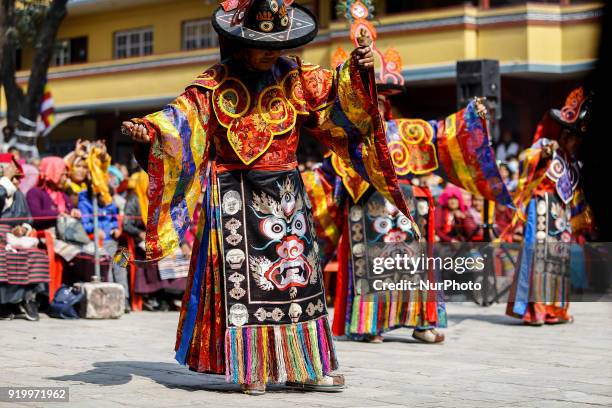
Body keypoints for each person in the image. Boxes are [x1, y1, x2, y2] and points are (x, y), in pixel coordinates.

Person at [122, 0, 409, 395]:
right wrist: (150, 132)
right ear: (238, 42)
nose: (270, 49)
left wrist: (358, 70)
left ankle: (307, 364)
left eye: (277, 41)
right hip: (234, 194)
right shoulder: (214, 84)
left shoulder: (297, 76)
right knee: (246, 288)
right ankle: (250, 364)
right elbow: (179, 121)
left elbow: (337, 100)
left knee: (300, 284)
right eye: (261, 42)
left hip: (288, 193)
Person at [505, 87, 593, 325]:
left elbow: (576, 193)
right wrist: (541, 154)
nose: (575, 142)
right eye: (573, 137)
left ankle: (556, 309)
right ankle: (536, 311)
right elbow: (524, 159)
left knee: (559, 261)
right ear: (565, 134)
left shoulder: (573, 162)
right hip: (541, 207)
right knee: (539, 258)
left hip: (561, 214)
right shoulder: (547, 146)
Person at [123, 170, 187, 311]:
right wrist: (140, 233)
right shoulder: (134, 199)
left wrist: (184, 244)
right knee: (157, 253)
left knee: (177, 253)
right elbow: (126, 224)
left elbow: (172, 224)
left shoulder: (161, 200)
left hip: (161, 237)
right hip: (141, 238)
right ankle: (157, 294)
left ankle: (172, 294)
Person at [0, 159, 50, 322]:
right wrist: (4, 183)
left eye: (17, 178)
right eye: (12, 178)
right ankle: (3, 304)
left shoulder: (18, 194)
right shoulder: (3, 190)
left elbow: (28, 218)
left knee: (37, 256)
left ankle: (28, 299)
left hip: (16, 239)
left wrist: (23, 228)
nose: (15, 182)